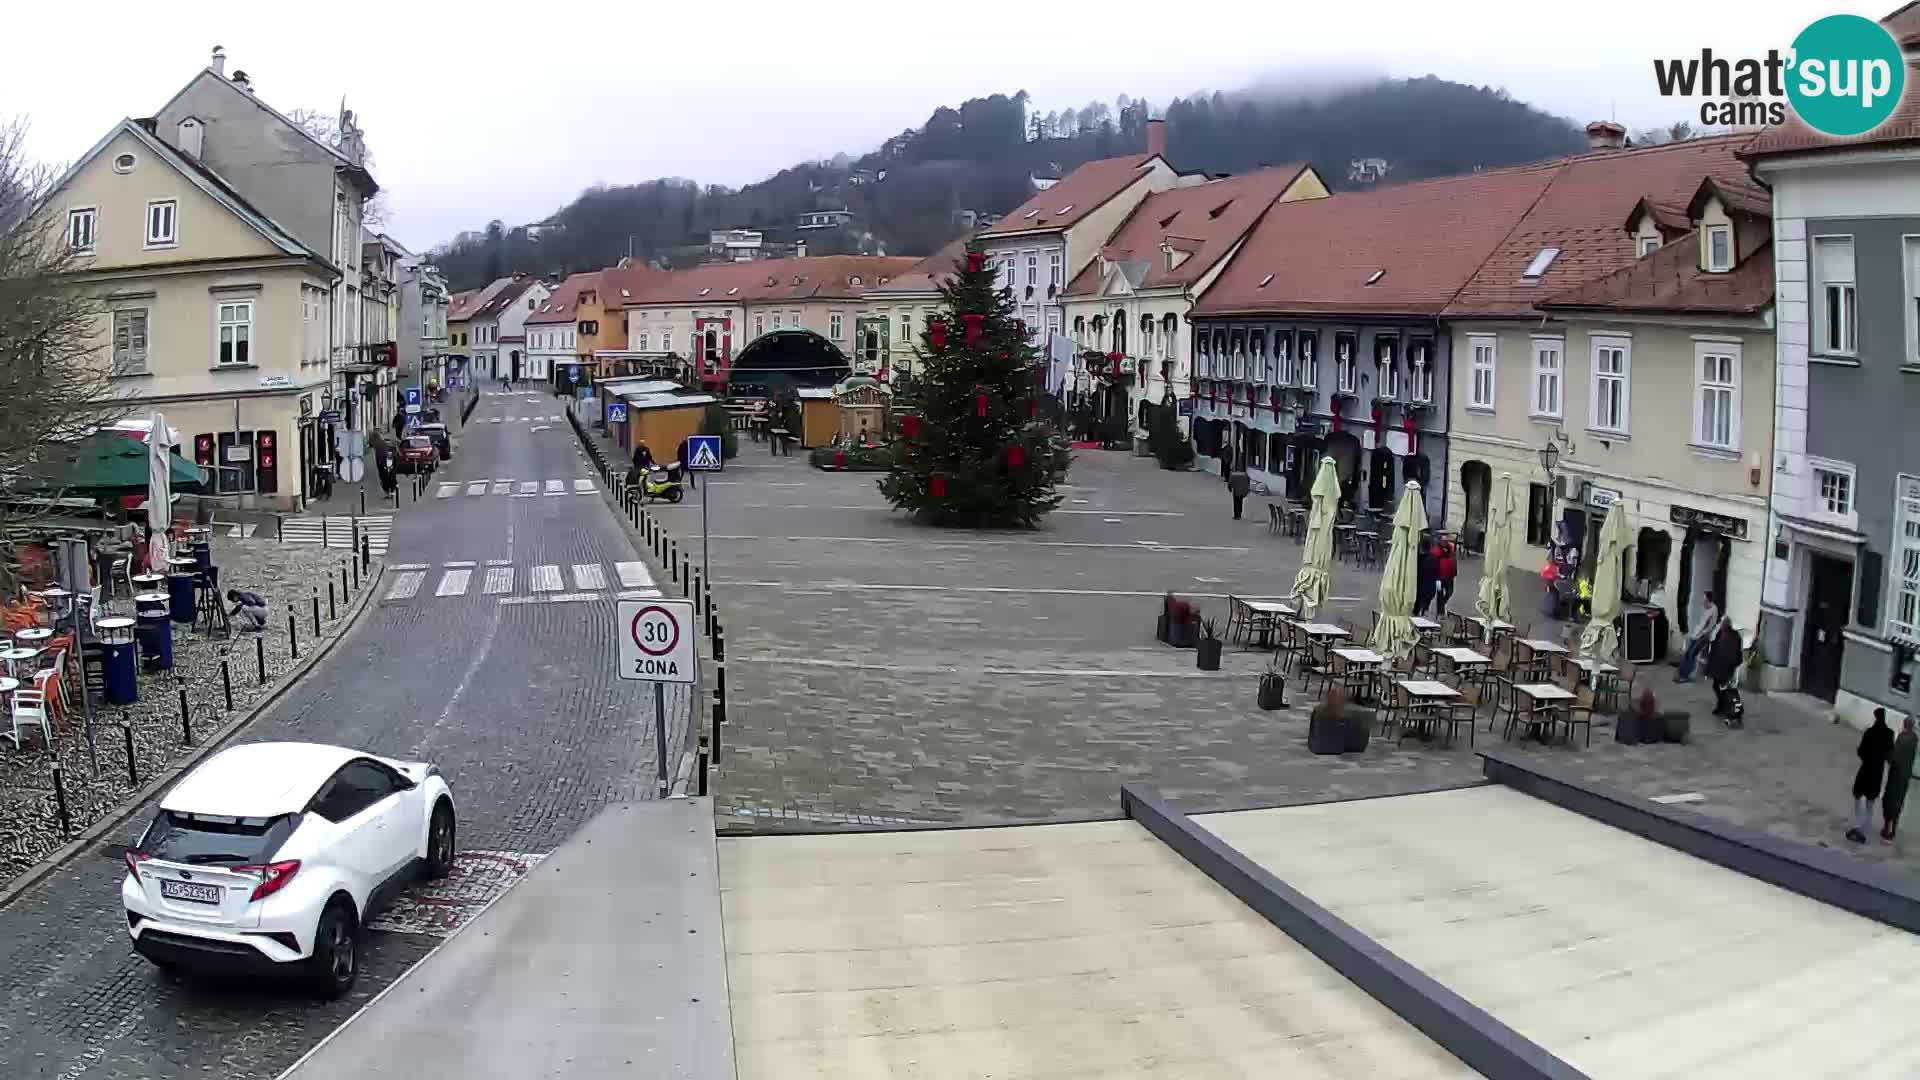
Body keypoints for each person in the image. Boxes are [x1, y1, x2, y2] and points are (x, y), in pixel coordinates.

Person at [1850, 708, 1896, 843]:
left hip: (1866, 769)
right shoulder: (1889, 734)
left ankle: (1858, 825)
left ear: (1875, 717)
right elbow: (1889, 755)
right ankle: (1866, 827)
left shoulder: (1869, 732)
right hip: (1877, 772)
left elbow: (1860, 751)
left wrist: (1866, 757)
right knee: (1871, 801)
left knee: (1858, 795)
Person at [1675, 590, 1721, 683]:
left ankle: (1685, 676)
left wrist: (1703, 633)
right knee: (1687, 653)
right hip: (1696, 634)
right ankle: (1681, 673)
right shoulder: (1704, 607)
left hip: (1703, 636)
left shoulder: (1714, 609)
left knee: (1692, 654)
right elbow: (1700, 622)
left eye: (1704, 597)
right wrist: (1695, 632)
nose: (1702, 599)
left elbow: (1711, 625)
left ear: (1708, 599)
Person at [1884, 716, 1917, 841]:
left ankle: (1887, 830)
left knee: (1890, 802)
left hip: (1896, 776)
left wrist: (1887, 755)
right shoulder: (1914, 738)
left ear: (1904, 724)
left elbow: (1895, 758)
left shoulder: (1902, 738)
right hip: (1905, 776)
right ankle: (1893, 830)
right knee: (1899, 802)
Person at [1705, 621, 1744, 725]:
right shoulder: (1722, 634)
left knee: (1724, 689)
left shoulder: (1732, 637)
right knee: (1717, 686)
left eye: (1721, 625)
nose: (1720, 627)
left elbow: (1734, 654)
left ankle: (1726, 708)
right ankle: (1723, 706)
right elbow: (1714, 649)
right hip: (1720, 667)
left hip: (1726, 668)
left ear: (1725, 626)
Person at [1415, 535, 1438, 617]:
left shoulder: (1416, 559)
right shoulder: (1433, 559)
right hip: (1429, 590)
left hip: (1417, 589)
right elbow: (1437, 574)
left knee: (1416, 610)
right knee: (1425, 609)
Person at [1434, 536, 1458, 615]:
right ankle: (1440, 612)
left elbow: (1454, 560)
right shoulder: (1436, 549)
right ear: (1440, 541)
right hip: (1438, 576)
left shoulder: (1451, 548)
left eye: (1446, 540)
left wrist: (1455, 571)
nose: (1445, 542)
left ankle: (1442, 605)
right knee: (1439, 593)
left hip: (1449, 576)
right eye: (1443, 540)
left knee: (1450, 591)